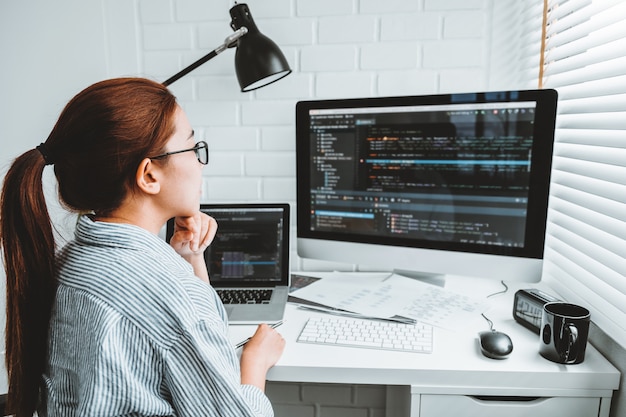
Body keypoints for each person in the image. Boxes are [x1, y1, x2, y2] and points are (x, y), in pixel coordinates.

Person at [0, 77, 285, 417]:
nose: (200, 162)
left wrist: (190, 259)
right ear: (149, 175)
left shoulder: (69, 261)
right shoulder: (170, 294)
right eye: (193, 148)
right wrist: (254, 366)